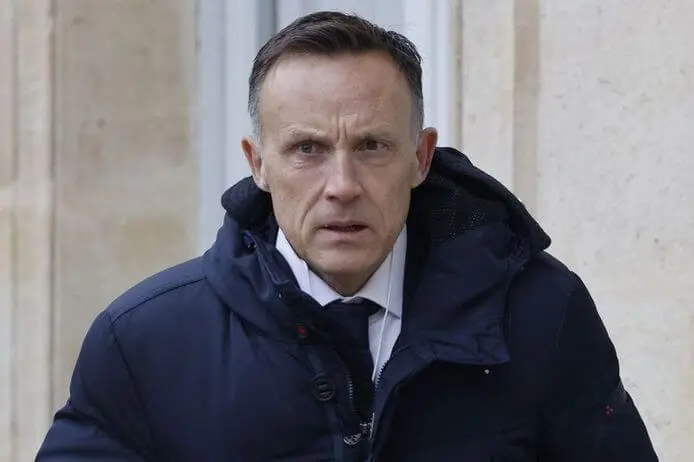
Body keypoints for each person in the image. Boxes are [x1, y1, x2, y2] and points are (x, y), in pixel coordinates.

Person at [36, 10, 658, 462]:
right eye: (307, 149)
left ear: (421, 158)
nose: (342, 185)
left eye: (372, 146)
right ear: (258, 163)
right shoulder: (144, 342)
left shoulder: (542, 316)